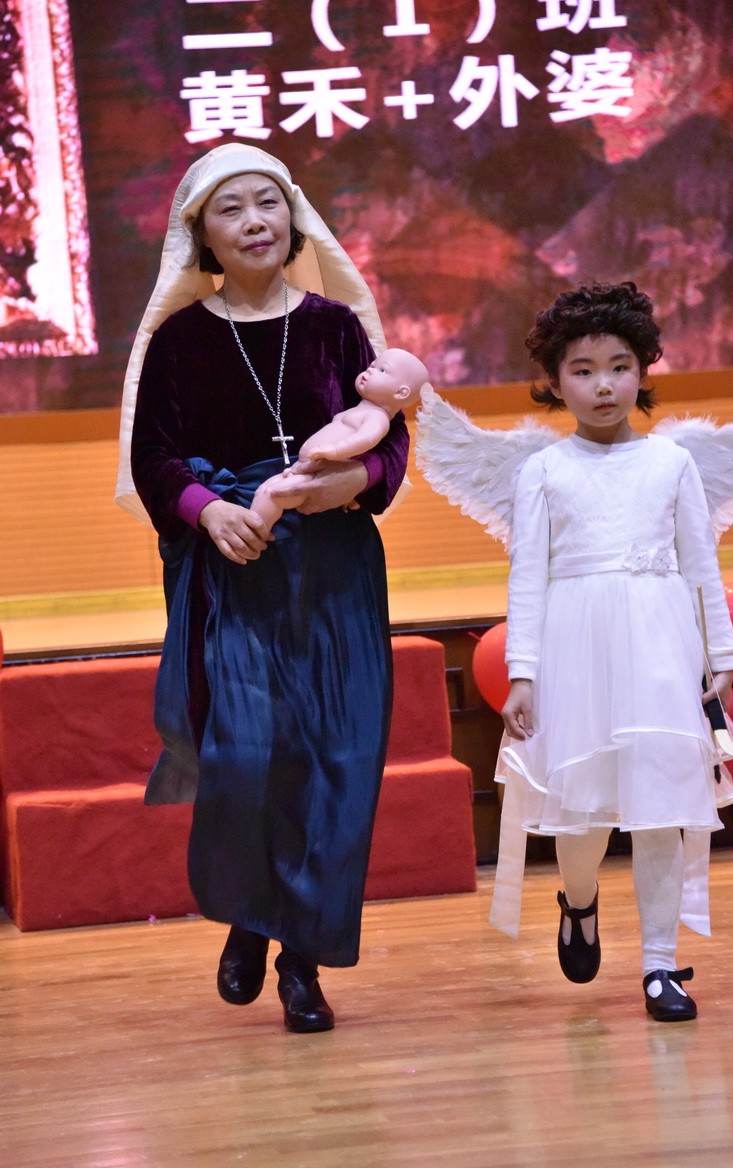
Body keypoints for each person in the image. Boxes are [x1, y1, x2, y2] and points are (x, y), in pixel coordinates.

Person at [115, 144, 410, 1033]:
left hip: (335, 570)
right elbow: (153, 457)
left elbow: (390, 438)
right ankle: (249, 914)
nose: (255, 221)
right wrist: (209, 511)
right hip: (235, 571)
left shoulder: (337, 327)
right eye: (232, 208)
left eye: (268, 202)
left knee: (335, 763)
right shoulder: (179, 340)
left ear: (294, 217)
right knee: (248, 756)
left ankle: (301, 964)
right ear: (201, 235)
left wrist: (349, 483)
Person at [495, 281, 733, 1021]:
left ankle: (660, 965)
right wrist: (522, 673)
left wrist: (721, 656)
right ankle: (579, 899)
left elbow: (701, 566)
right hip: (575, 648)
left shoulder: (671, 462)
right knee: (582, 812)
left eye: (619, 366)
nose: (603, 385)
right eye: (583, 370)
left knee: (663, 806)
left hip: (660, 647)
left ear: (642, 371)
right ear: (554, 381)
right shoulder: (543, 470)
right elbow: (527, 579)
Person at [250, 347, 429, 535]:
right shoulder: (359, 409)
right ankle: (255, 534)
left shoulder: (378, 418)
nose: (370, 370)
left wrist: (335, 450)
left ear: (401, 393)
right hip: (303, 468)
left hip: (319, 476)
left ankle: (255, 539)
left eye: (382, 370)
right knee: (264, 490)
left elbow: (366, 439)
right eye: (372, 365)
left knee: (273, 495)